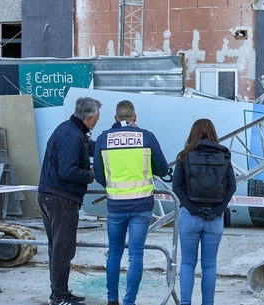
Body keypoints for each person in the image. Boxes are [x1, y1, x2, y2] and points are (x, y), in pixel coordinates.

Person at [94, 100, 168, 305]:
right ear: (134, 118)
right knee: (136, 255)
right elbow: (162, 169)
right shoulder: (147, 137)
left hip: (116, 205)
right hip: (141, 206)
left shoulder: (103, 139)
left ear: (115, 118)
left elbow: (99, 175)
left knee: (115, 252)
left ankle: (112, 300)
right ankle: (129, 302)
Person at [38, 96, 102, 305]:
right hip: (60, 198)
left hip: (53, 195)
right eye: (98, 117)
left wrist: (112, 142)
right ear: (90, 118)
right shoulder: (71, 136)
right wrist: (92, 174)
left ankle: (60, 292)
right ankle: (59, 296)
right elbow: (68, 171)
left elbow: (91, 148)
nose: (98, 120)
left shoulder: (74, 131)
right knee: (63, 249)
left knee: (58, 248)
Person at [172, 118, 236, 305]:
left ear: (193, 133)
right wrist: (217, 211)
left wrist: (192, 209)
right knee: (209, 265)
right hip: (214, 218)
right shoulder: (224, 156)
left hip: (190, 216)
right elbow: (231, 186)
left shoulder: (185, 155)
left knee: (187, 264)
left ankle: (185, 303)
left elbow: (177, 187)